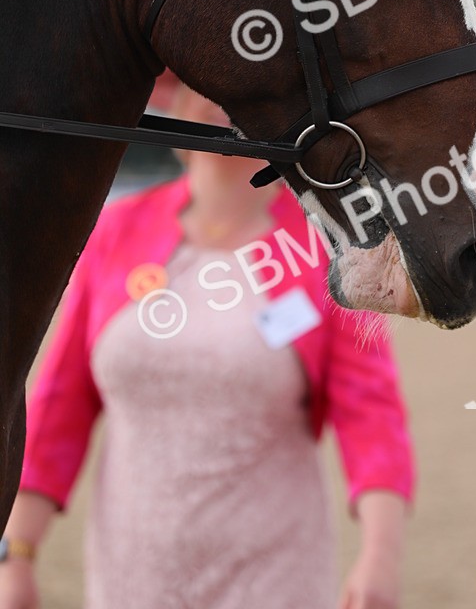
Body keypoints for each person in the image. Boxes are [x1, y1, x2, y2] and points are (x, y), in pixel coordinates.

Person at [0, 80, 413, 609]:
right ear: (171, 101)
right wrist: (17, 551)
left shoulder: (330, 250)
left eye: (243, 87)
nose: (226, 101)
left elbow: (372, 417)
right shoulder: (112, 232)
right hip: (131, 573)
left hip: (274, 576)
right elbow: (61, 406)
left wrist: (381, 554)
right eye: (205, 84)